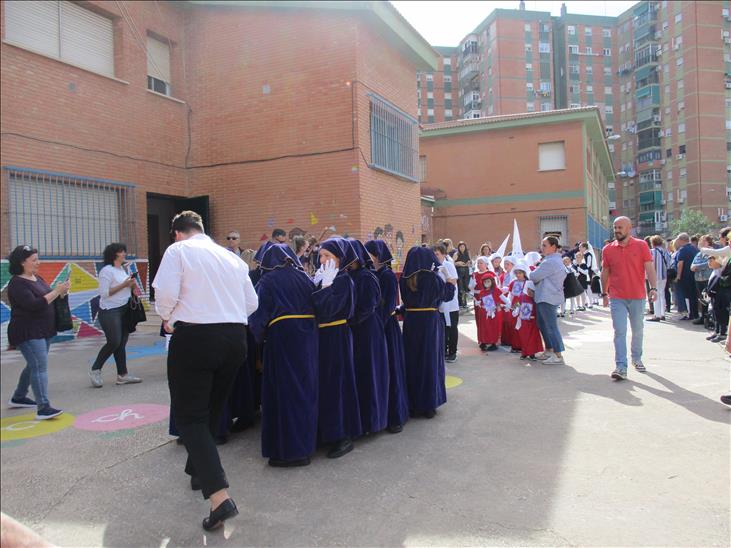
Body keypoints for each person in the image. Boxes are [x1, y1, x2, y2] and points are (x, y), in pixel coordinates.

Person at [153, 211, 258, 530]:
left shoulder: (178, 250)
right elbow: (251, 303)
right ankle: (197, 471)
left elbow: (165, 295)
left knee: (190, 417)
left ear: (177, 233)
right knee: (211, 409)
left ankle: (219, 497)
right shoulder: (232, 258)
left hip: (196, 336)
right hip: (235, 337)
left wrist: (168, 317)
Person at [248, 244, 318, 467]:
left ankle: (289, 452)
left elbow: (257, 317)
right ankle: (306, 446)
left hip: (282, 339)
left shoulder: (267, 281)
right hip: (308, 338)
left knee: (284, 393)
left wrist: (259, 338)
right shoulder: (305, 278)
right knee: (304, 389)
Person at [6, 245, 70, 419]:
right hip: (28, 332)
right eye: (34, 260)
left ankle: (19, 397)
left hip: (44, 330)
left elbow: (49, 298)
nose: (38, 262)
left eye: (37, 259)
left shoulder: (37, 278)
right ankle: (43, 408)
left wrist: (61, 292)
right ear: (22, 262)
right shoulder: (17, 283)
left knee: (33, 364)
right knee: (39, 367)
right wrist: (56, 292)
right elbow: (34, 305)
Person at [312, 238, 362, 457]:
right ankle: (326, 431)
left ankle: (342, 435)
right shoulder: (325, 277)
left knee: (337, 385)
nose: (322, 260)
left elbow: (328, 309)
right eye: (321, 256)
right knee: (323, 385)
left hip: (336, 336)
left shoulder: (343, 280)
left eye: (328, 256)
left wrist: (325, 288)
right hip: (322, 337)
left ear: (339, 259)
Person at [399, 246, 455, 418]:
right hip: (429, 323)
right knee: (429, 361)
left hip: (411, 322)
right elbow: (447, 296)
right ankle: (428, 404)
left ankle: (412, 402)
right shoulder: (432, 278)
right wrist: (450, 282)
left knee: (412, 360)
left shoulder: (404, 279)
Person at [600, 217, 657, 381]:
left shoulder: (641, 245)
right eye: (615, 227)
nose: (617, 230)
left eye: (620, 227)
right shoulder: (608, 249)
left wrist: (653, 288)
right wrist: (604, 293)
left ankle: (636, 358)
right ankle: (621, 366)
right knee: (619, 331)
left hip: (637, 296)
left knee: (637, 330)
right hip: (617, 297)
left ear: (629, 228)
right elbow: (605, 272)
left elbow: (649, 268)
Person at [346, 239, 389, 436]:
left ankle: (372, 421)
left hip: (367, 331)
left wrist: (348, 319)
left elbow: (368, 306)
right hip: (355, 331)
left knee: (369, 373)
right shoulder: (349, 275)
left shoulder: (366, 277)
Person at [365, 239, 409, 433]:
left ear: (377, 255)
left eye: (369, 254)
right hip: (375, 328)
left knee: (391, 368)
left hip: (386, 327)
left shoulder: (387, 275)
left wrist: (376, 327)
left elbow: (388, 304)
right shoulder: (371, 273)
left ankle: (395, 416)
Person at [89, 243, 142, 388]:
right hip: (110, 310)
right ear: (114, 254)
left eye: (124, 251)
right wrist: (124, 285)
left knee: (121, 343)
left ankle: (122, 375)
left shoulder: (122, 269)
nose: (124, 254)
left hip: (125, 309)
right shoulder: (107, 271)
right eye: (121, 252)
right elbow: (104, 293)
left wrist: (132, 284)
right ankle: (95, 369)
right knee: (114, 341)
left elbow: (128, 289)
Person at [529, 236, 567, 365]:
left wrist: (533, 271)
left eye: (544, 245)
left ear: (553, 247)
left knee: (550, 326)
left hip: (548, 297)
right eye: (542, 245)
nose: (542, 248)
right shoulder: (551, 260)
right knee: (543, 324)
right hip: (546, 296)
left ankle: (558, 354)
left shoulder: (550, 262)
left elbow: (534, 276)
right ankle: (550, 350)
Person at [433, 244, 460, 362]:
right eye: (434, 254)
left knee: (452, 327)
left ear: (444, 254)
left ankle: (452, 352)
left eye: (437, 254)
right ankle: (443, 350)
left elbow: (453, 282)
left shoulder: (448, 265)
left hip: (450, 303)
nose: (435, 256)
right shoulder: (433, 266)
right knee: (442, 328)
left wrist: (446, 274)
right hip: (439, 303)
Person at [513, 264, 543, 361]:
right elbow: (517, 304)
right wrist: (515, 310)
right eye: (529, 290)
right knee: (524, 337)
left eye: (532, 290)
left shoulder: (535, 299)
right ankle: (524, 352)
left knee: (532, 338)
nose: (530, 292)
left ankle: (532, 353)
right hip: (523, 321)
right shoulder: (522, 296)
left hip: (532, 322)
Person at [702, 246, 731, 343]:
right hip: (714, 296)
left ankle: (722, 333)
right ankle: (717, 331)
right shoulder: (714, 271)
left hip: (721, 294)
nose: (709, 263)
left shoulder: (721, 270)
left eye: (711, 260)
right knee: (715, 313)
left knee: (721, 313)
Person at [690, 234, 714, 326]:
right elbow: (692, 265)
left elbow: (708, 264)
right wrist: (694, 266)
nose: (701, 242)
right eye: (700, 241)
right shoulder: (699, 254)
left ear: (708, 242)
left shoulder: (712, 252)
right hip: (698, 279)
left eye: (704, 241)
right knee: (702, 299)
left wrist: (697, 266)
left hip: (707, 278)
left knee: (709, 299)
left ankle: (710, 318)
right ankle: (703, 317)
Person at [675, 233, 699, 321]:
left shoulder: (683, 250)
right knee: (694, 295)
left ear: (681, 240)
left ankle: (690, 314)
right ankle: (695, 313)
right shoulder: (694, 248)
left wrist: (678, 276)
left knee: (687, 296)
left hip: (685, 276)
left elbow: (680, 264)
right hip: (694, 275)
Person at [648, 235, 671, 322]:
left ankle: (657, 315)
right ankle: (662, 314)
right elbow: (669, 263)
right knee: (662, 293)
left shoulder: (651, 252)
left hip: (654, 275)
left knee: (655, 293)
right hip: (664, 275)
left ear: (653, 243)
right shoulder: (665, 252)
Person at [454, 242, 472, 309]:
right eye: (461, 247)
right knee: (460, 288)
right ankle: (460, 303)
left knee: (465, 288)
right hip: (459, 272)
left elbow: (470, 262)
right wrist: (458, 263)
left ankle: (465, 303)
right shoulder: (456, 254)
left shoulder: (467, 253)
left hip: (466, 272)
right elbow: (452, 262)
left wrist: (469, 263)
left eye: (463, 247)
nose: (462, 248)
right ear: (458, 247)